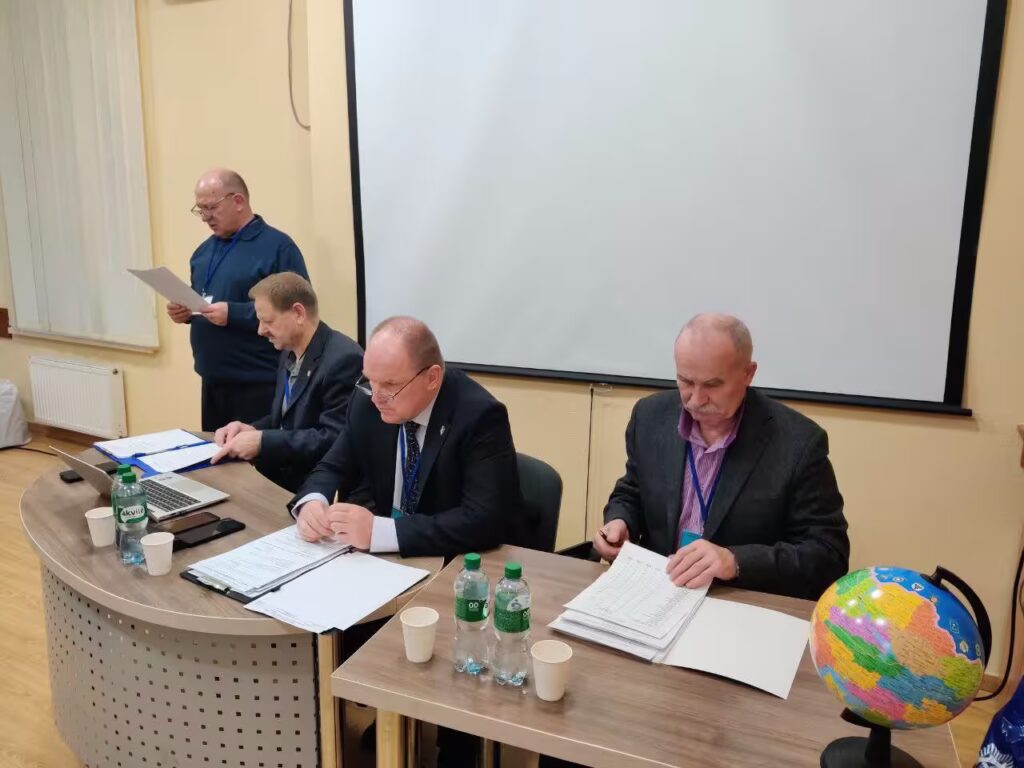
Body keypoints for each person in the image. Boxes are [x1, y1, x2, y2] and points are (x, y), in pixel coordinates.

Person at [592, 313, 849, 600]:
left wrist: (735, 561)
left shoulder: (798, 443)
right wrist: (620, 521)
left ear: (748, 374)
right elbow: (632, 490)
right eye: (685, 381)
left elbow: (829, 556)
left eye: (712, 385)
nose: (695, 399)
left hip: (738, 601)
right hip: (658, 594)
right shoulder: (650, 416)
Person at [288, 315, 528, 558]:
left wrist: (381, 533)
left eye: (390, 385)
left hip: (451, 559)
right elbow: (332, 465)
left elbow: (484, 520)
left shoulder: (479, 416)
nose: (376, 397)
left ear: (432, 378)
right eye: (370, 380)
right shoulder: (367, 399)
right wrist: (312, 501)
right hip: (387, 560)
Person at [167, 168, 309, 431]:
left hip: (259, 383)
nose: (206, 217)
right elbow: (204, 299)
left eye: (211, 207)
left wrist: (233, 314)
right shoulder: (202, 252)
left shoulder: (277, 247)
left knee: (253, 454)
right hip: (213, 380)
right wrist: (185, 313)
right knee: (217, 452)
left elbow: (295, 310)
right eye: (200, 209)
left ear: (238, 201)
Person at [210, 272, 363, 492]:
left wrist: (262, 442)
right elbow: (285, 421)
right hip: (280, 478)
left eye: (267, 321)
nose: (260, 330)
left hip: (315, 490)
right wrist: (251, 429)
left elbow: (334, 439)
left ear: (298, 313)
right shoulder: (288, 351)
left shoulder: (343, 359)